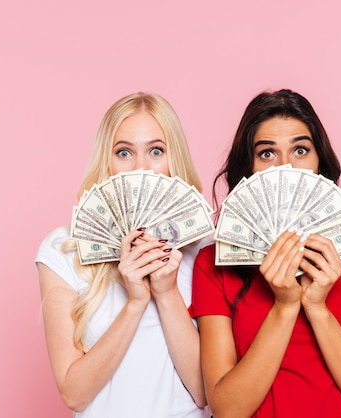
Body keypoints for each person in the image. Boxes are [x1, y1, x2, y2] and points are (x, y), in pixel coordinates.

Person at [190, 89, 341, 418]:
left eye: (300, 149)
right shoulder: (215, 265)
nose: (285, 167)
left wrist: (318, 308)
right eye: (267, 153)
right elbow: (227, 410)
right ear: (248, 169)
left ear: (319, 161)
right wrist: (285, 306)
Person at [36, 92, 211, 417]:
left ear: (174, 161)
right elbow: (73, 393)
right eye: (124, 152)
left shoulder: (203, 250)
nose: (141, 168)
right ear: (108, 161)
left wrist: (166, 291)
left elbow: (205, 393)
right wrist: (135, 302)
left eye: (156, 151)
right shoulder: (63, 250)